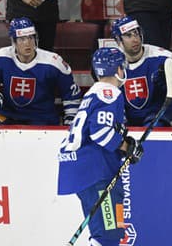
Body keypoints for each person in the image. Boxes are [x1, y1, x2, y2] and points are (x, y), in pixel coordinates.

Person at [57, 47, 143, 246]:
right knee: (108, 234)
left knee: (107, 232)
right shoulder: (109, 92)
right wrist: (125, 147)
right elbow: (100, 132)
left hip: (83, 170)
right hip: (95, 172)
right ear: (119, 70)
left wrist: (126, 144)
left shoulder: (94, 93)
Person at [0, 17, 81, 125]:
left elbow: (71, 95)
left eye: (31, 38)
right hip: (8, 117)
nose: (27, 43)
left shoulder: (53, 63)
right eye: (22, 39)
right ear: (13, 41)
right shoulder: (0, 58)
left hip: (42, 119)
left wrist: (70, 122)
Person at [111, 16, 172, 127]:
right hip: (129, 121)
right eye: (128, 36)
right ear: (118, 40)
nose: (135, 39)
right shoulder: (113, 64)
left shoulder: (164, 57)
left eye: (136, 33)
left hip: (159, 117)